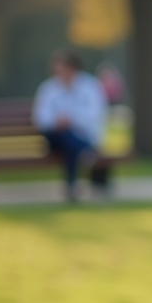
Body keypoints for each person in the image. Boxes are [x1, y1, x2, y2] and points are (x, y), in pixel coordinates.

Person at [33, 50, 108, 201]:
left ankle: (71, 186)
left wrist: (72, 120)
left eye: (64, 68)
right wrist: (57, 121)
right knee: (66, 137)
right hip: (55, 137)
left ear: (73, 68)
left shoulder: (90, 87)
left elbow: (95, 114)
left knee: (69, 142)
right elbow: (40, 118)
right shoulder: (49, 89)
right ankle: (83, 153)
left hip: (80, 136)